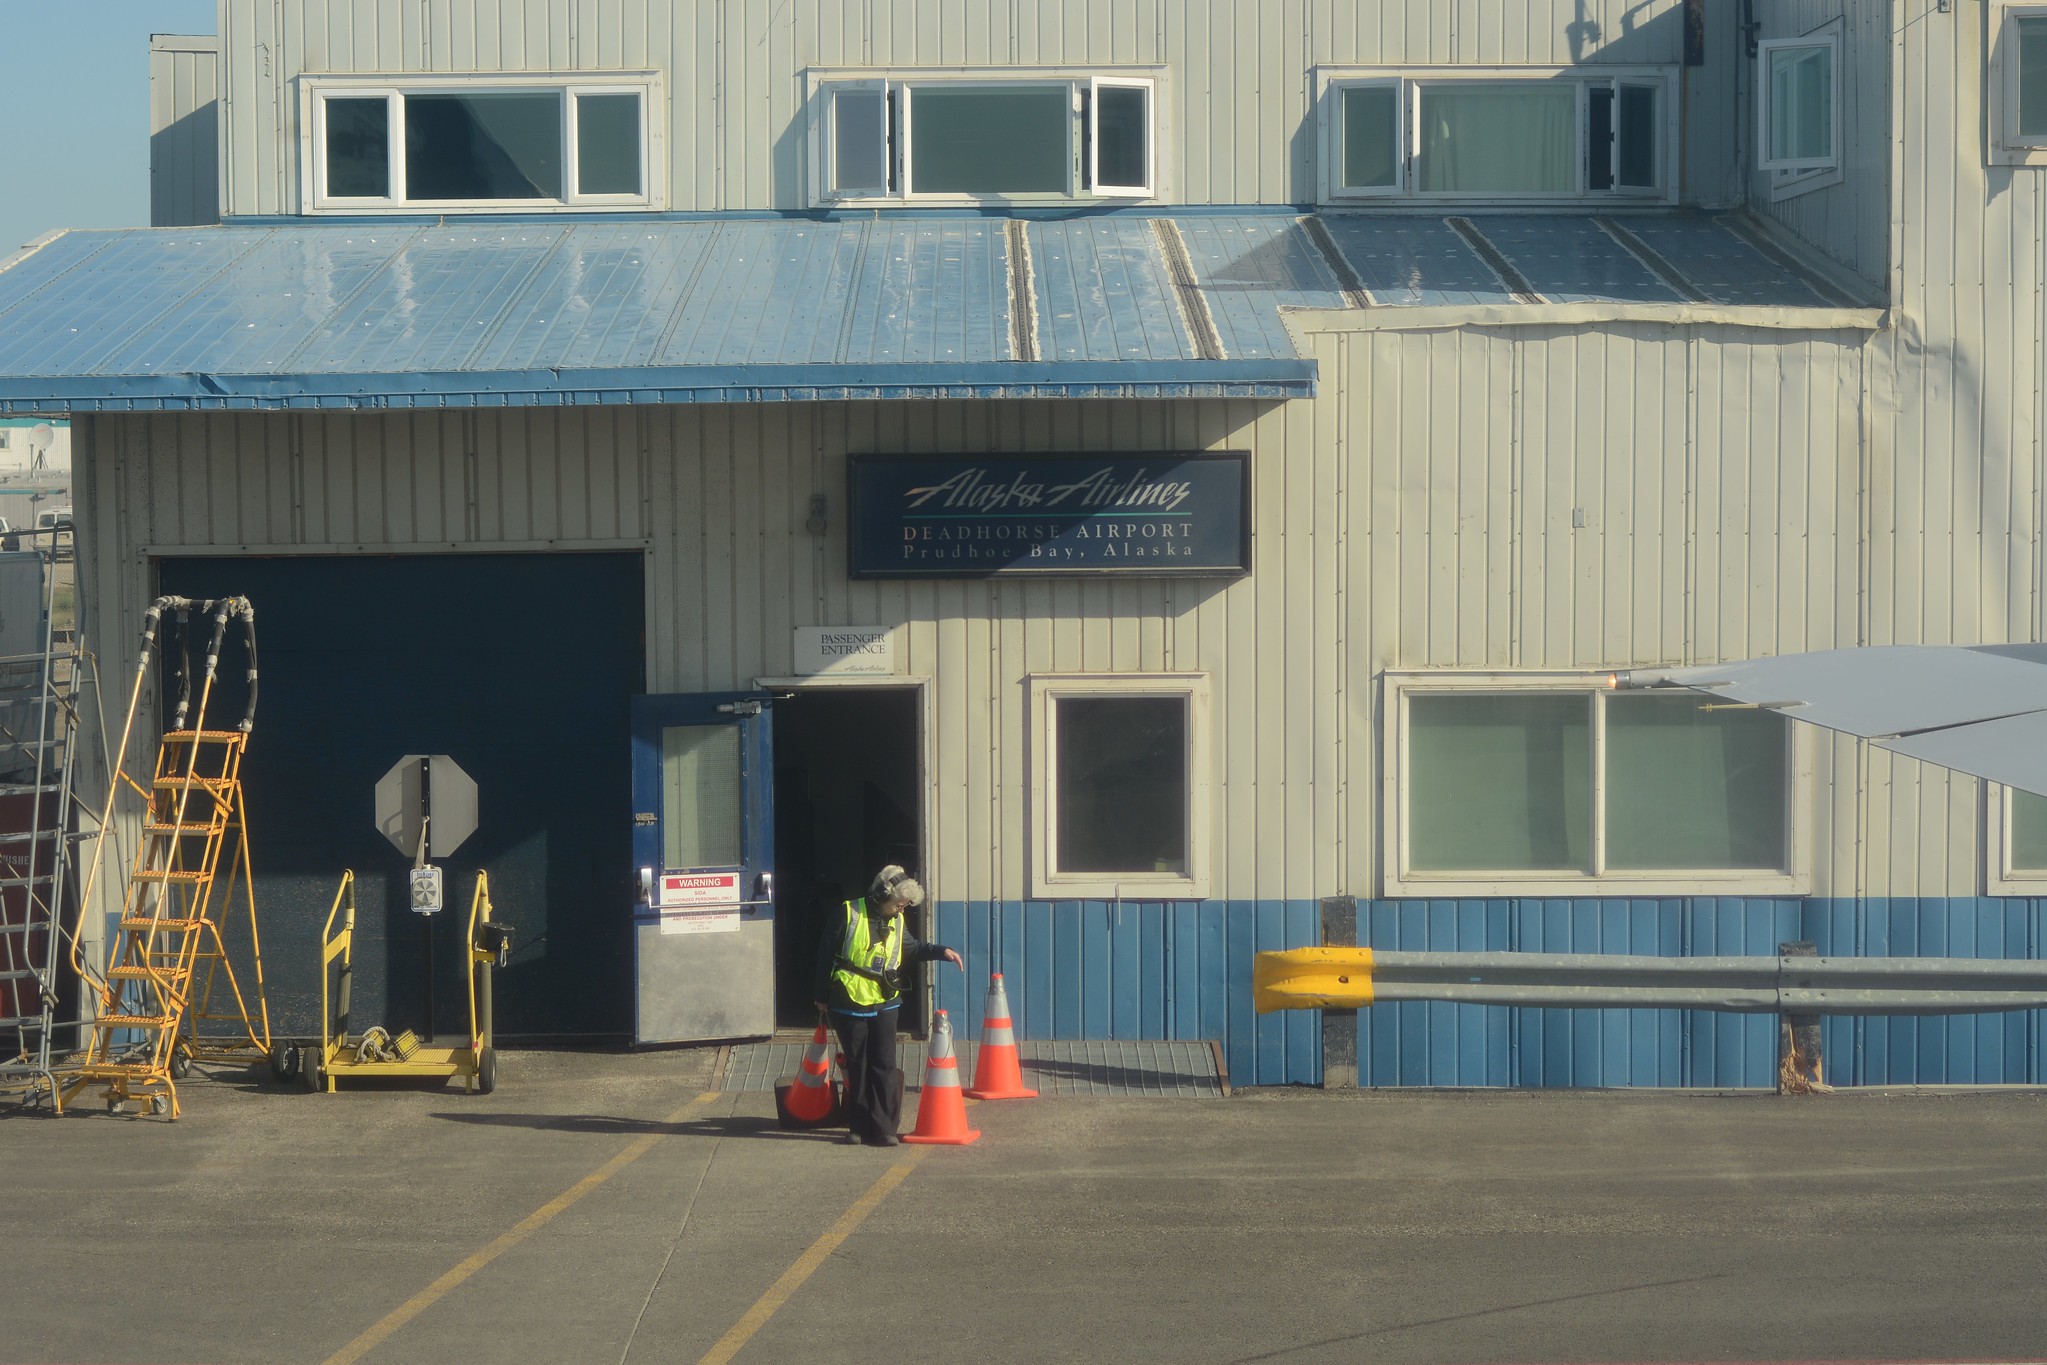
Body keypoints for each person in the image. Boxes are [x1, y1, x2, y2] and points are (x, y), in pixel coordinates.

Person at [814, 864, 963, 1146]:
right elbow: (825, 953)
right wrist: (821, 995)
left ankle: (885, 1129)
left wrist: (943, 952)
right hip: (849, 998)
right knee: (858, 1065)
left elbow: (913, 948)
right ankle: (857, 1127)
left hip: (886, 1000)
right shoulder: (848, 913)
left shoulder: (897, 920)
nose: (902, 910)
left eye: (906, 905)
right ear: (883, 894)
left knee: (884, 1064)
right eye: (899, 904)